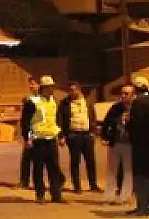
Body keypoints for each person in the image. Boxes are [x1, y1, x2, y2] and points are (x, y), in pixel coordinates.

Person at [21, 75, 66, 204]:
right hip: (38, 140)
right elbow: (25, 122)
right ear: (43, 88)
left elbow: (56, 120)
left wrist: (61, 135)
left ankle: (56, 195)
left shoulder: (53, 101)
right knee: (38, 169)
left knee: (54, 168)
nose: (52, 90)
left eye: (52, 87)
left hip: (51, 139)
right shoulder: (32, 102)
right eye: (49, 87)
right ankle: (40, 195)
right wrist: (27, 139)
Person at [126, 76, 149, 216]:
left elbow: (136, 126)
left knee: (141, 176)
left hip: (142, 146)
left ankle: (142, 207)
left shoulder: (138, 103)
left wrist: (127, 124)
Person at [56, 80, 101, 193]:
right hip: (73, 135)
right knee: (75, 161)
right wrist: (61, 136)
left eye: (74, 90)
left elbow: (92, 116)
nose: (72, 92)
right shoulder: (64, 103)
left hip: (87, 135)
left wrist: (93, 131)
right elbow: (60, 120)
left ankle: (93, 185)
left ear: (79, 90)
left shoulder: (87, 101)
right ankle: (77, 186)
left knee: (90, 161)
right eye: (70, 90)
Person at [100, 83, 136, 206]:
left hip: (130, 144)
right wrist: (104, 137)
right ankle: (109, 196)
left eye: (126, 94)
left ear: (133, 95)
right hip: (115, 142)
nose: (123, 96)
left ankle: (125, 197)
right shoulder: (116, 108)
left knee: (128, 171)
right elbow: (106, 123)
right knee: (111, 171)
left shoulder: (136, 108)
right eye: (122, 93)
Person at [17, 76, 39, 189]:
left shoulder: (46, 100)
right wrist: (27, 137)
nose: (31, 86)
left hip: (43, 134)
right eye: (30, 84)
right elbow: (25, 121)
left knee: (42, 160)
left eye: (33, 84)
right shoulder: (28, 101)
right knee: (27, 158)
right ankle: (24, 181)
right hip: (31, 134)